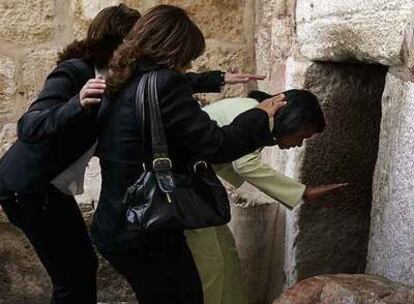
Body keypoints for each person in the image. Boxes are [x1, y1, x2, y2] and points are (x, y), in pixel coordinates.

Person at [90, 5, 286, 304]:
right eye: (187, 57)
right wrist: (259, 115)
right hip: (146, 226)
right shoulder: (165, 83)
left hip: (116, 221)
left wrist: (215, 78)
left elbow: (173, 84)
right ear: (173, 49)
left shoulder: (125, 77)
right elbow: (216, 144)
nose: (186, 65)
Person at [0, 5, 142, 303]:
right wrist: (76, 104)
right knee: (73, 274)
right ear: (115, 41)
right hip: (27, 189)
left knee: (79, 269)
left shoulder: (117, 77)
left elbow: (157, 84)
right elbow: (29, 125)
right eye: (135, 41)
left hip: (49, 189)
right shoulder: (74, 71)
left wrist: (214, 79)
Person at [185, 89, 348, 304]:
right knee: (211, 265)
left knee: (227, 254)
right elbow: (244, 164)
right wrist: (303, 192)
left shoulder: (256, 113)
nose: (298, 144)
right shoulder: (255, 115)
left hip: (195, 188)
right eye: (302, 136)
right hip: (181, 189)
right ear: (292, 122)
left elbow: (228, 159)